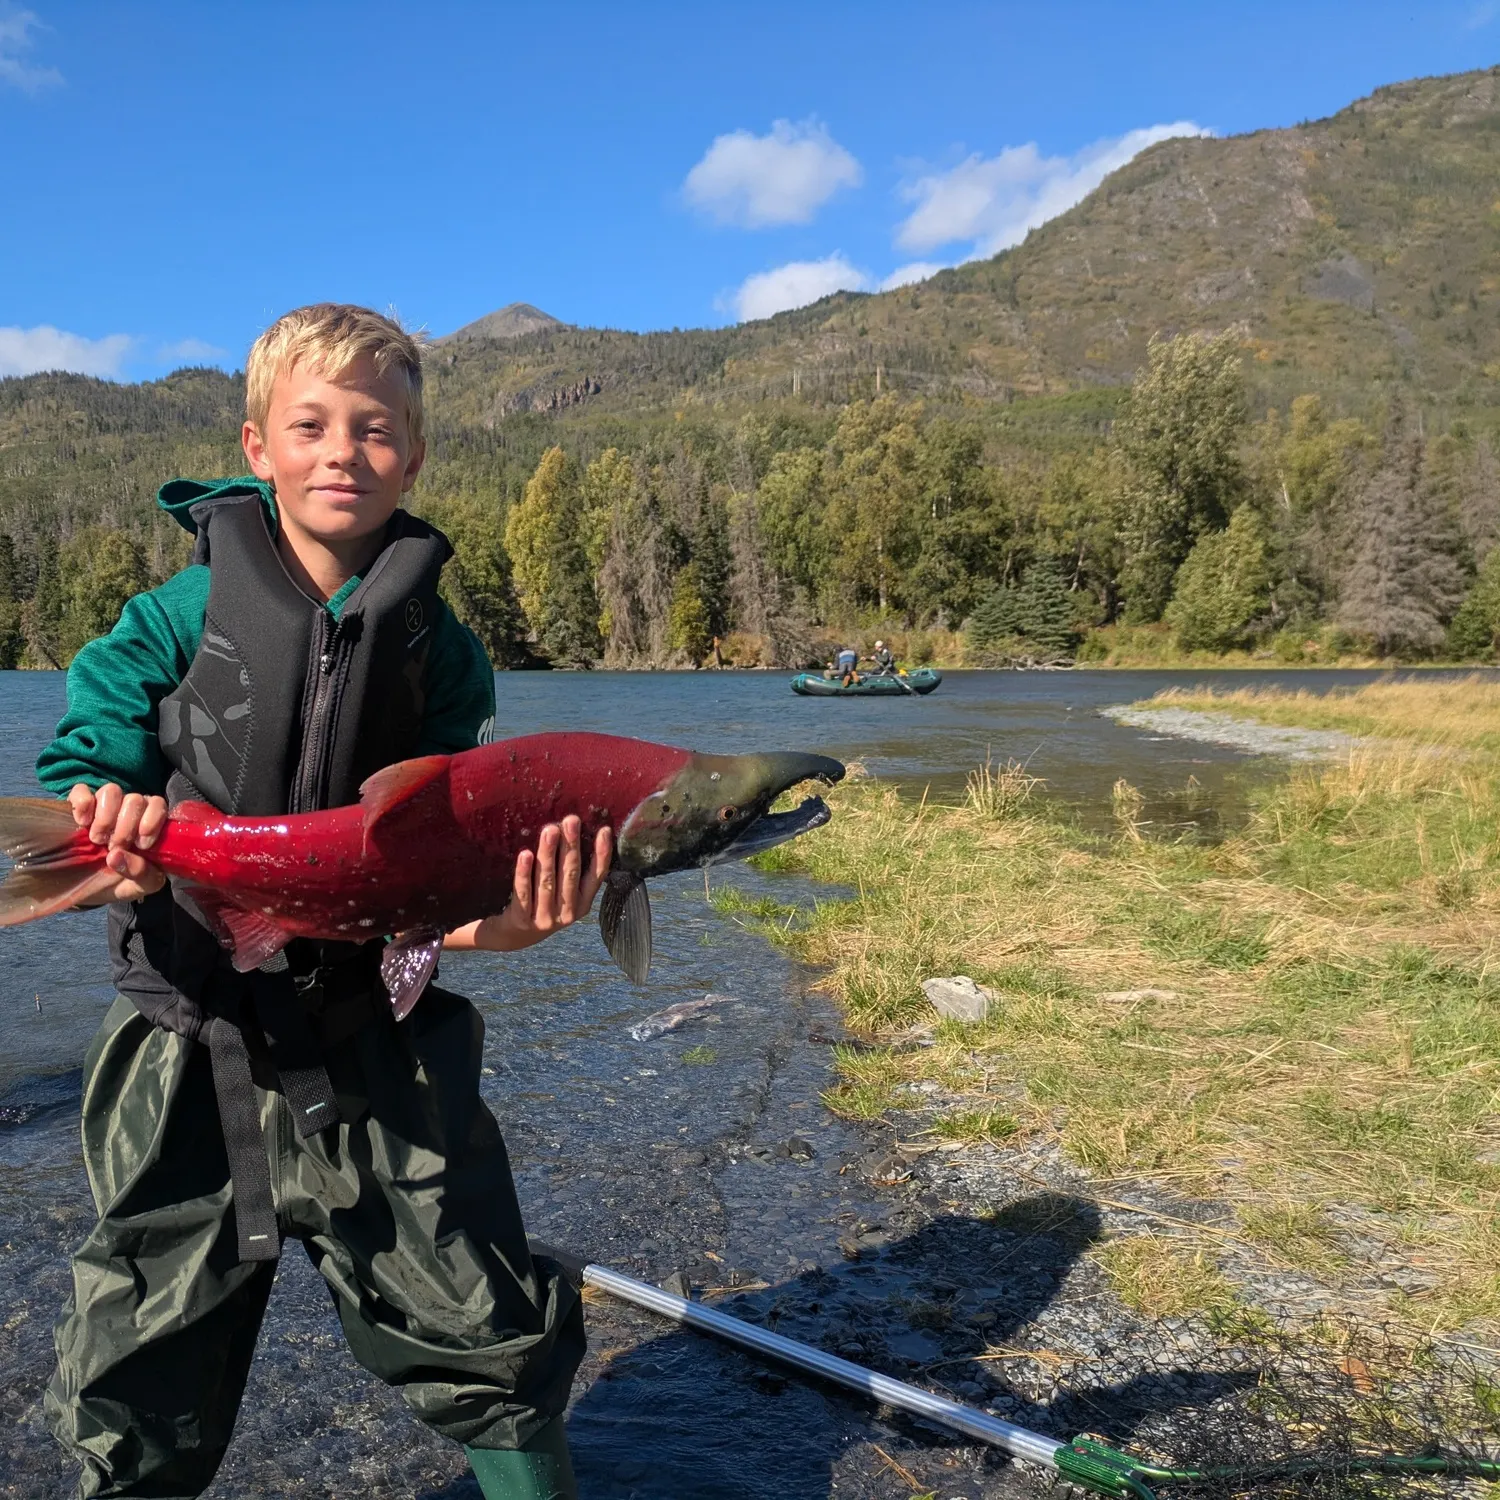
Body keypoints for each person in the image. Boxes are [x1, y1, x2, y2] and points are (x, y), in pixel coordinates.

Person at [36, 305, 607, 1500]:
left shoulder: (444, 655)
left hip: (380, 1045)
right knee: (139, 1357)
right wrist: (111, 816)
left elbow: (452, 900)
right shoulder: (169, 621)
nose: (344, 449)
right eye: (312, 425)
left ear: (416, 457)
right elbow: (87, 757)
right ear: (258, 449)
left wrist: (521, 920)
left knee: (485, 1318)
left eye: (378, 429)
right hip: (186, 1041)